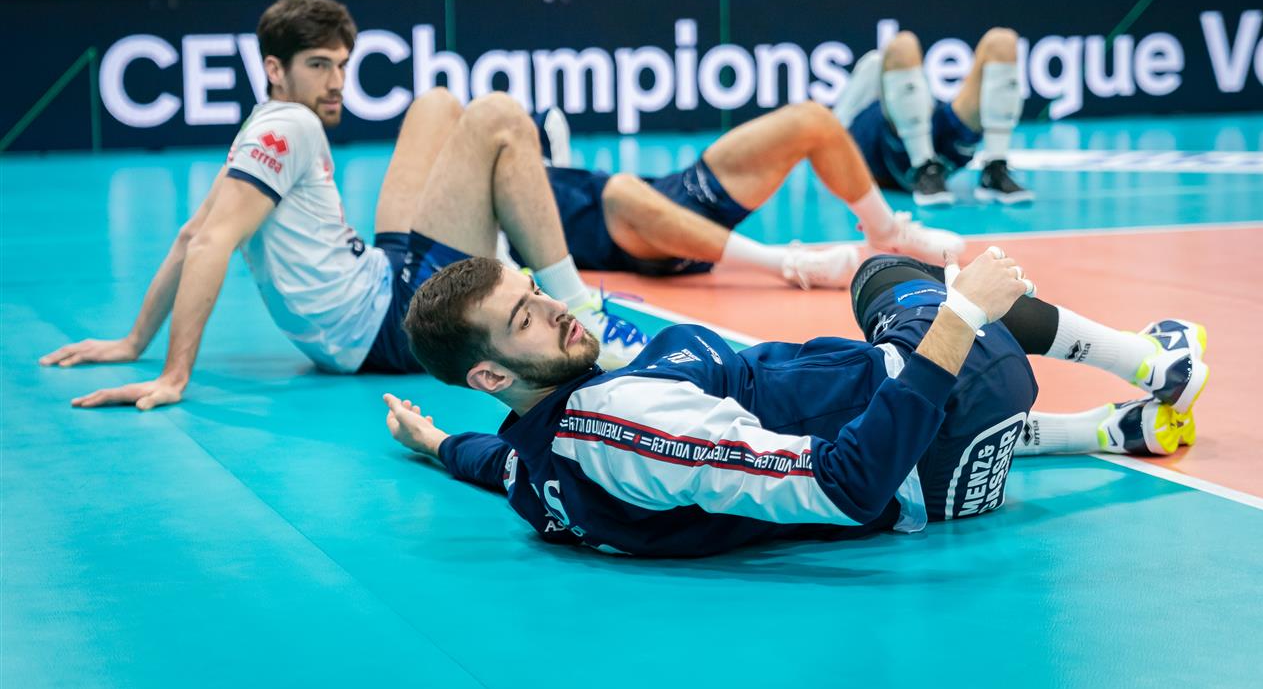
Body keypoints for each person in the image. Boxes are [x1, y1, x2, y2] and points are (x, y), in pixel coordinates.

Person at [41, 0, 648, 409]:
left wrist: (132, 342)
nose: (336, 83)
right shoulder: (293, 126)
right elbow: (208, 244)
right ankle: (576, 304)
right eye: (318, 65)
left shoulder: (263, 124)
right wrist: (173, 375)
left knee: (436, 104)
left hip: (379, 277)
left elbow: (188, 235)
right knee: (499, 116)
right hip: (386, 326)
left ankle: (505, 221)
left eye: (341, 65)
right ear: (275, 68)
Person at [383, 250, 1207, 557]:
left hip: (953, 467)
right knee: (887, 276)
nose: (553, 308)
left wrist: (436, 443)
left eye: (534, 288)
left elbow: (501, 462)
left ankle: (1112, 428)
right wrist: (961, 315)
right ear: (489, 373)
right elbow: (847, 483)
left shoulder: (539, 472)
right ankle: (1153, 359)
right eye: (524, 317)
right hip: (947, 418)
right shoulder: (624, 423)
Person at [529, 101, 964, 289]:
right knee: (622, 190)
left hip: (667, 191)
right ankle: (790, 265)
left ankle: (886, 232)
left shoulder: (538, 155)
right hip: (627, 237)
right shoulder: (505, 205)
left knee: (811, 120)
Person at [831, 27, 1033, 207]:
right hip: (892, 150)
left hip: (928, 135)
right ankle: (923, 168)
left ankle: (995, 167)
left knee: (1002, 41)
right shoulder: (854, 132)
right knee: (901, 46)